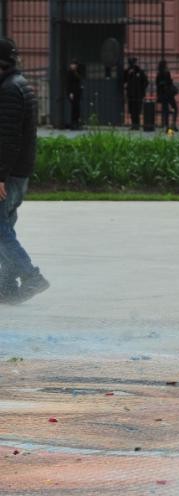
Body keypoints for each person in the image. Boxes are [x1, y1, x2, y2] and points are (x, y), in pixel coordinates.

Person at [0, 37, 49, 304]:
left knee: (0, 231)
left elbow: (7, 138)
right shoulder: (19, 85)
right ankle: (6, 287)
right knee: (5, 228)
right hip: (19, 173)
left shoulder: (9, 89)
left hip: (9, 175)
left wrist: (0, 175)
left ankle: (31, 277)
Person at [123, 57, 149, 130]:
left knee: (137, 110)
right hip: (131, 94)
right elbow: (123, 80)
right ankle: (133, 125)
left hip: (138, 94)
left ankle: (137, 125)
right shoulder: (128, 71)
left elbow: (146, 82)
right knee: (131, 110)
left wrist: (141, 90)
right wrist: (128, 74)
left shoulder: (140, 71)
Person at [156, 60, 178, 132]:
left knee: (166, 110)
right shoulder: (166, 73)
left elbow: (158, 84)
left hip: (163, 94)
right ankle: (172, 125)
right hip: (168, 94)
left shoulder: (159, 74)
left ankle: (167, 125)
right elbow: (168, 82)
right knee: (174, 108)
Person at [65, 59, 82, 130]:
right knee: (74, 108)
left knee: (77, 108)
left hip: (77, 92)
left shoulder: (77, 72)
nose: (73, 66)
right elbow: (68, 84)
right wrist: (70, 93)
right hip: (72, 93)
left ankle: (76, 123)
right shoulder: (69, 73)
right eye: (72, 64)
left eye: (74, 64)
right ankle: (73, 124)